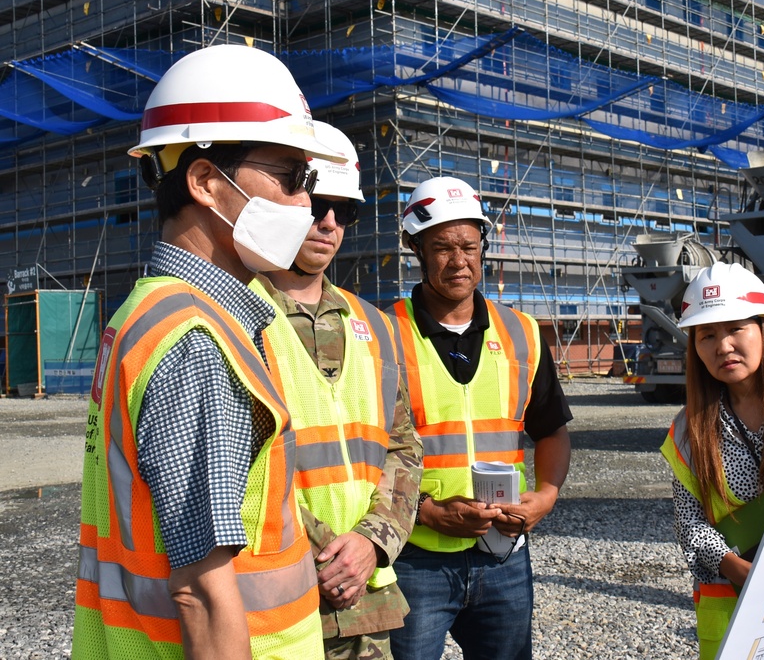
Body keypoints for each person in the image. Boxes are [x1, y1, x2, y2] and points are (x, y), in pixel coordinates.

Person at [72, 44, 347, 659]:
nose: (307, 205)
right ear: (205, 183)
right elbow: (203, 589)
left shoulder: (150, 314)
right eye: (292, 177)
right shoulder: (194, 340)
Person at [256, 121, 424, 658]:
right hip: (279, 596)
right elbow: (239, 468)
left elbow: (402, 446)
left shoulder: (373, 324)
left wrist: (372, 543)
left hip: (364, 606)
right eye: (318, 205)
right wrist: (328, 553)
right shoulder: (234, 316)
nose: (329, 223)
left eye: (344, 211)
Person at [387, 176, 573, 660]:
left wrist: (547, 496)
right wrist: (423, 512)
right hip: (414, 557)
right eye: (443, 247)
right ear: (416, 249)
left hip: (503, 555)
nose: (459, 261)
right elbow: (366, 452)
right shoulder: (384, 334)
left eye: (469, 245)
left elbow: (551, 429)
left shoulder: (521, 332)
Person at [661, 262, 764, 660]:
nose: (723, 346)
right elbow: (689, 521)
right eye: (707, 335)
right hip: (728, 607)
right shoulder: (687, 429)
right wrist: (738, 569)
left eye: (735, 328)